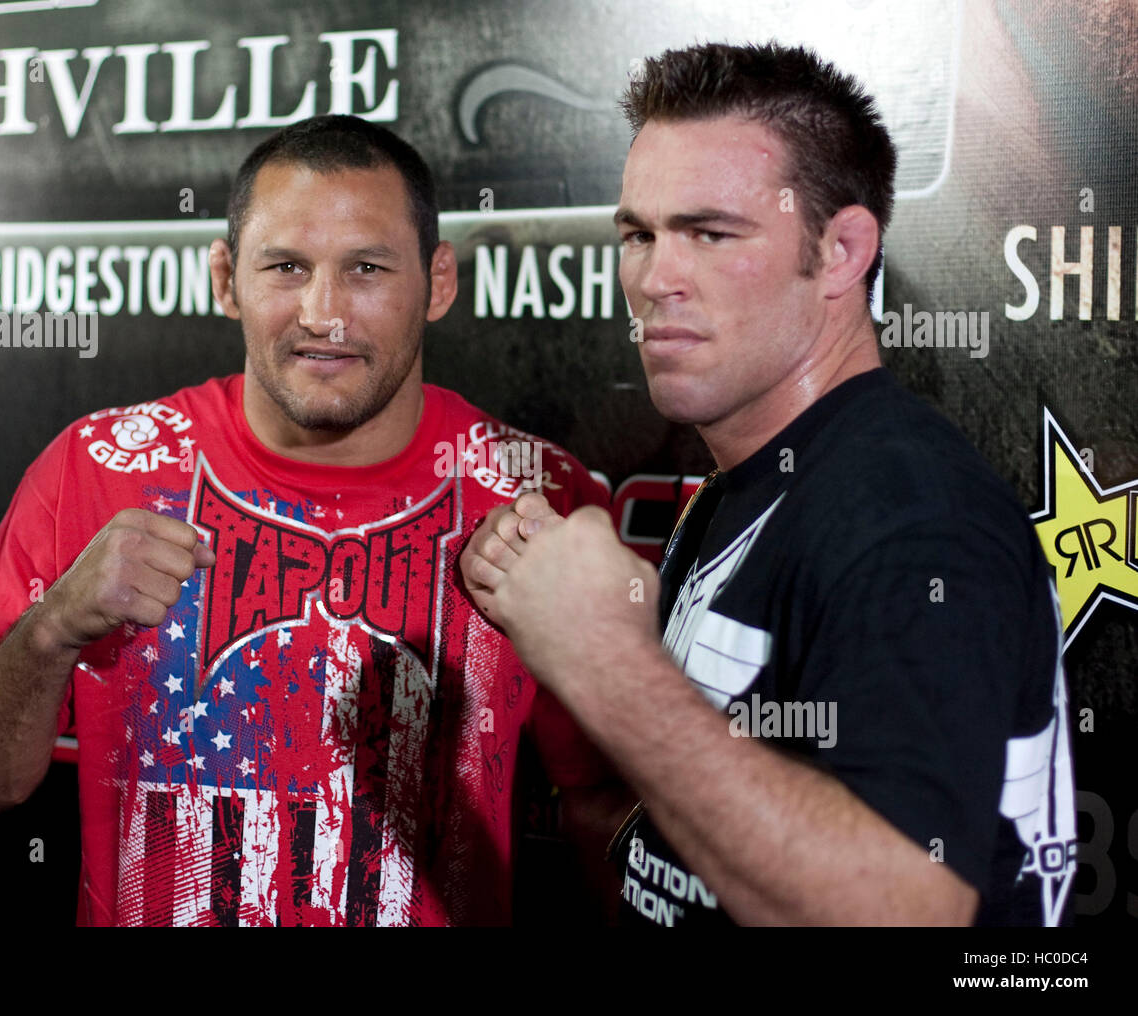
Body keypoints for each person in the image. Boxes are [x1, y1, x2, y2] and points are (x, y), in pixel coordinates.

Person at [0, 114, 612, 927]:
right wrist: (51, 628)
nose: (324, 313)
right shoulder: (99, 468)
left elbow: (607, 808)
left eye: (367, 268)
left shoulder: (539, 498)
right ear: (225, 279)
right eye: (286, 265)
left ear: (440, 281)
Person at [460, 42, 1076, 927]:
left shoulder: (910, 515)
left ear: (840, 251)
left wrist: (604, 657)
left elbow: (905, 907)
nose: (655, 280)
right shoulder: (747, 484)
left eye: (710, 233)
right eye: (639, 235)